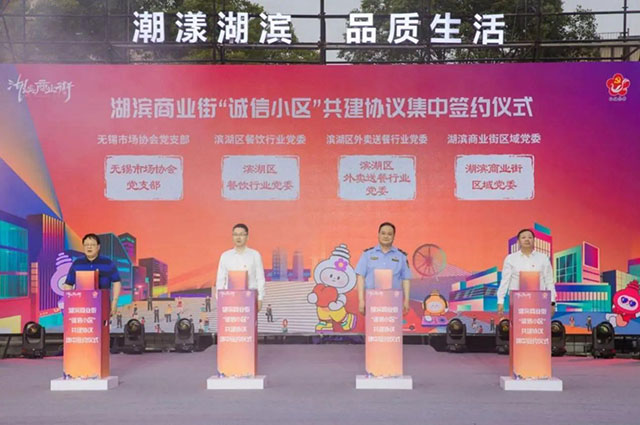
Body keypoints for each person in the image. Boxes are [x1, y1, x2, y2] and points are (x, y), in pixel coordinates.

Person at [355, 222, 411, 315]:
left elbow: (406, 279)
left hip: (394, 301)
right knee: (374, 324)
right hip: (372, 300)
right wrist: (361, 300)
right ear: (378, 234)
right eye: (383, 233)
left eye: (389, 234)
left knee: (392, 323)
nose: (386, 236)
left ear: (394, 236)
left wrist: (406, 300)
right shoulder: (367, 254)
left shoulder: (401, 256)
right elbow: (360, 277)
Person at [497, 228, 556, 315]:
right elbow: (505, 280)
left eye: (530, 237)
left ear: (534, 240)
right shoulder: (510, 259)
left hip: (539, 302)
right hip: (517, 302)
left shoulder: (543, 258)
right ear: (518, 241)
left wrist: (552, 302)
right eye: (523, 237)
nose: (527, 239)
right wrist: (500, 301)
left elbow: (549, 281)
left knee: (537, 323)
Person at [62, 233, 121, 318]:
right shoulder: (77, 263)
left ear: (98, 247)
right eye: (86, 245)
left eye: (92, 245)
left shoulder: (107, 263)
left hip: (102, 305)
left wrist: (114, 302)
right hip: (81, 306)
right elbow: (68, 284)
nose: (89, 247)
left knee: (102, 325)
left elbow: (116, 282)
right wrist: (70, 302)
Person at [215, 223, 266, 311]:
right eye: (235, 234)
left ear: (247, 237)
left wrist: (260, 298)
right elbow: (220, 279)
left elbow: (260, 278)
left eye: (241, 234)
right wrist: (219, 299)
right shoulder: (225, 256)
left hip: (250, 298)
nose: (238, 237)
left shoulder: (255, 255)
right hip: (230, 300)